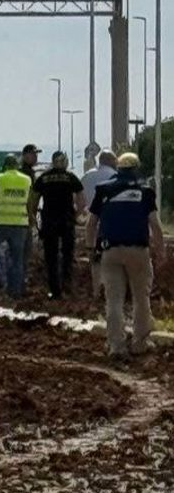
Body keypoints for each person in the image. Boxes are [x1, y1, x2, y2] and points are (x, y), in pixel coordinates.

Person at [85, 153, 165, 360]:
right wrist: (160, 251)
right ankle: (140, 343)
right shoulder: (145, 191)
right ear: (137, 168)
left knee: (114, 300)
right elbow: (155, 225)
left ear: (118, 168)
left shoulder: (103, 189)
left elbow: (91, 223)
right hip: (138, 251)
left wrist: (90, 248)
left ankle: (116, 345)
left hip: (110, 251)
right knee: (141, 298)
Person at [29, 151, 85, 299]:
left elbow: (33, 200)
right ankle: (66, 285)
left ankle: (55, 290)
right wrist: (77, 215)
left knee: (51, 256)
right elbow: (81, 199)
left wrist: (33, 216)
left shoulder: (44, 178)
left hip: (49, 220)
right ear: (64, 162)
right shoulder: (71, 177)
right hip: (66, 220)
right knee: (67, 254)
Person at [0, 156, 33, 297]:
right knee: (17, 259)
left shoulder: (0, 178)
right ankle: (14, 291)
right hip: (20, 224)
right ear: (17, 166)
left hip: (0, 222)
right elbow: (30, 202)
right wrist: (31, 218)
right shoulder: (26, 180)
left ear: (5, 166)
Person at [81, 151, 118, 296]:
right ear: (111, 161)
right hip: (108, 224)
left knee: (95, 260)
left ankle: (96, 290)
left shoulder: (86, 176)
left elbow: (80, 199)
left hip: (89, 221)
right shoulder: (114, 177)